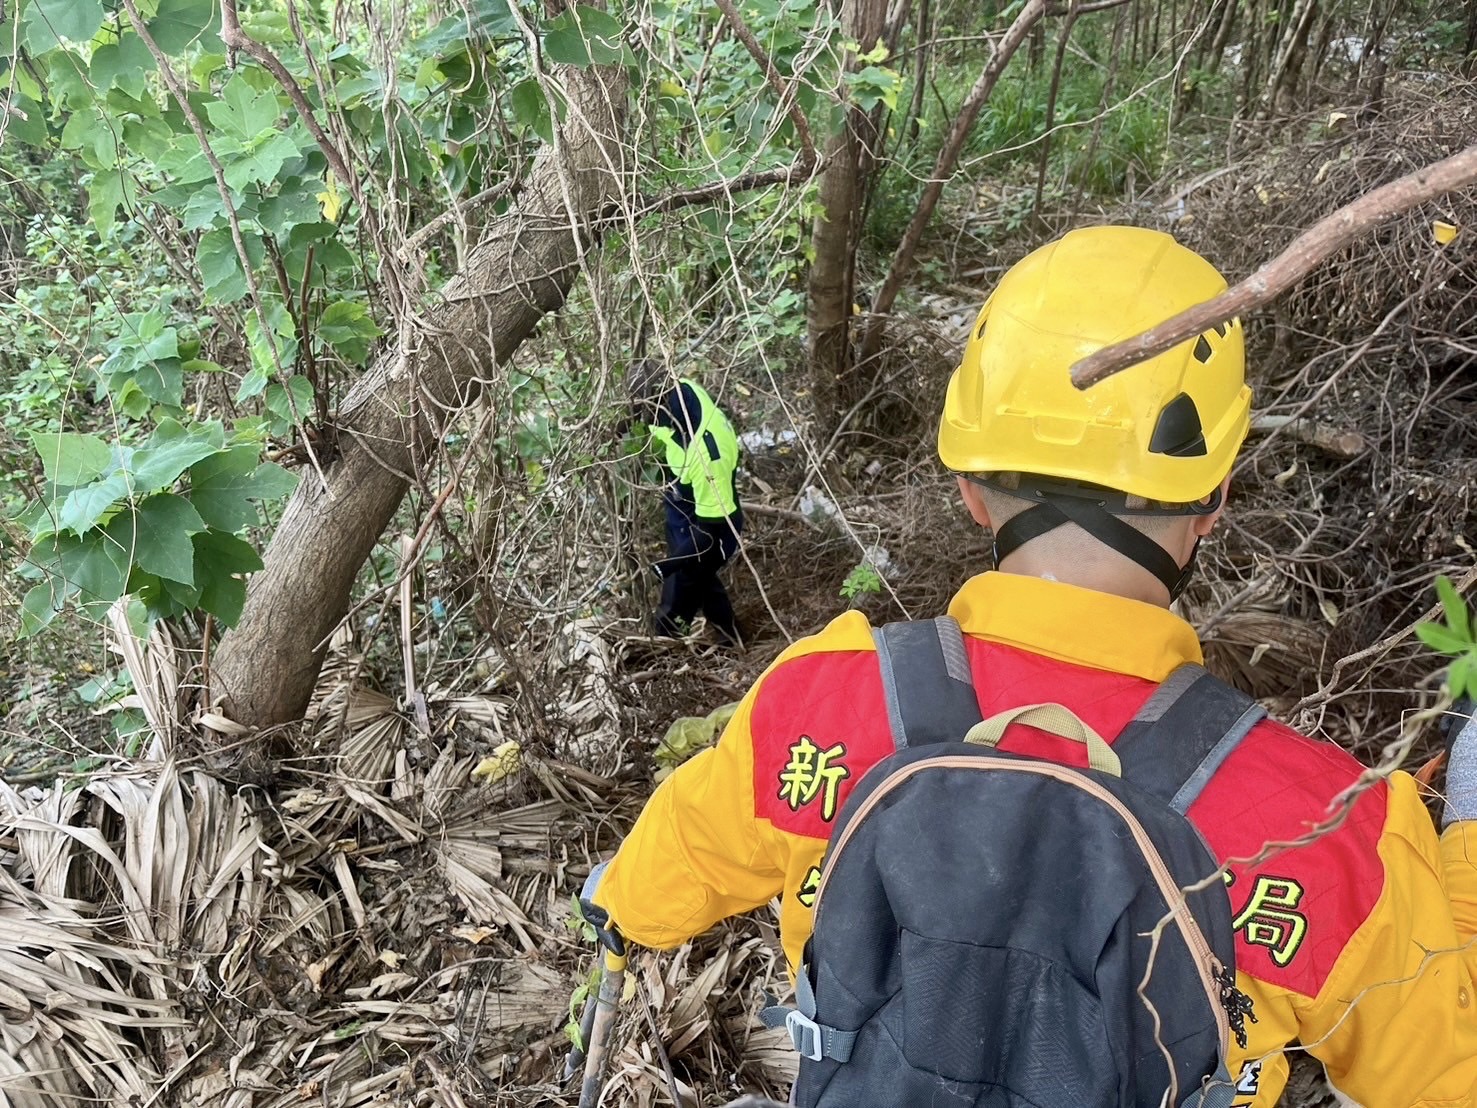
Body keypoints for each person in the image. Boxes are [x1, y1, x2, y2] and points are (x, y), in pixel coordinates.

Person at [589, 228, 1477, 1106]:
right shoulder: (1326, 827)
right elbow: (1446, 1074)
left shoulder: (821, 699)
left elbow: (662, 877)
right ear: (1213, 501)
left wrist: (619, 910)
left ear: (969, 489)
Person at [631, 361, 745, 646]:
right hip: (683, 497)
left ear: (661, 403)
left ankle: (665, 641)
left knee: (687, 575)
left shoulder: (707, 456)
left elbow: (709, 533)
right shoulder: (680, 392)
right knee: (698, 578)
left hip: (713, 525)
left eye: (647, 412)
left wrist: (669, 564)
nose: (646, 421)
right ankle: (730, 635)